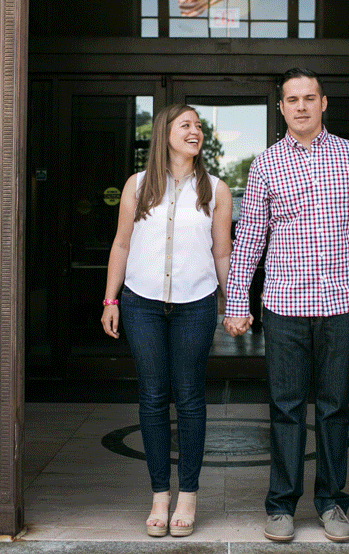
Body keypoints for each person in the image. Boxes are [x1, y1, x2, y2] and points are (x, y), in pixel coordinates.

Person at [223, 68, 349, 543]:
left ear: (324, 103)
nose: (300, 106)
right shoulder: (265, 166)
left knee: (335, 407)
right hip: (285, 304)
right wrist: (237, 300)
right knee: (285, 406)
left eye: (309, 97)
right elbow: (251, 239)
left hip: (345, 300)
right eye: (291, 99)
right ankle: (280, 505)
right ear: (280, 108)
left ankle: (332, 503)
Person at [101, 104, 232, 538]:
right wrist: (110, 299)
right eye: (186, 125)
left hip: (195, 303)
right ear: (165, 134)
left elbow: (222, 253)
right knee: (154, 396)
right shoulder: (137, 186)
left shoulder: (216, 189)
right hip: (141, 303)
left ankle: (189, 495)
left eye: (198, 126)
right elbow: (121, 245)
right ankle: (160, 495)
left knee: (191, 397)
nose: (195, 132)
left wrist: (232, 303)